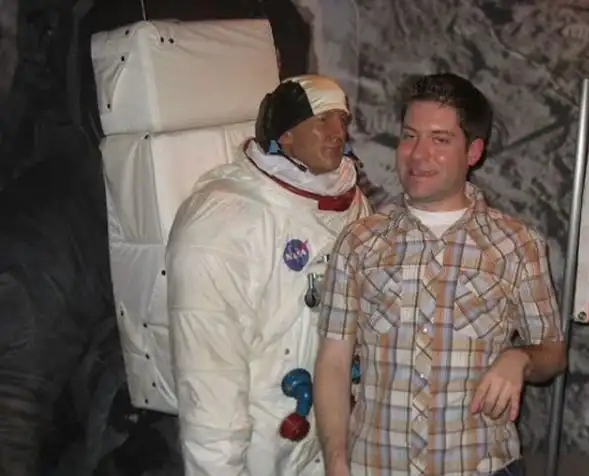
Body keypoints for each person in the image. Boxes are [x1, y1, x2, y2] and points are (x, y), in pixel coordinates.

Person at [314, 73, 567, 476]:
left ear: (474, 152)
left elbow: (552, 353)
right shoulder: (359, 241)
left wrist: (520, 358)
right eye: (410, 136)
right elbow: (333, 362)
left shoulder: (518, 244)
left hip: (481, 466)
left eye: (440, 139)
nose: (418, 154)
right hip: (375, 465)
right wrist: (336, 461)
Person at [166, 74, 373, 476]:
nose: (338, 132)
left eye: (342, 120)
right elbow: (210, 381)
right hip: (261, 444)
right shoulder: (224, 221)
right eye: (323, 119)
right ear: (286, 134)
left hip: (335, 433)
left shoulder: (351, 203)